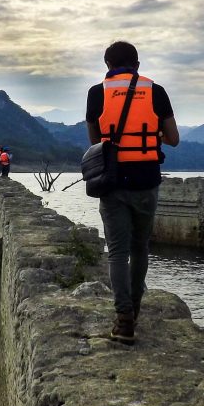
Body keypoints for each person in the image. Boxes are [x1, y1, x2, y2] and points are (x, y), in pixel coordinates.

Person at [85, 41, 179, 345]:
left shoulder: (96, 93)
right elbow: (174, 138)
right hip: (147, 180)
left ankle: (124, 320)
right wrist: (153, 134)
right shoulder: (156, 91)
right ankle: (135, 309)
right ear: (137, 65)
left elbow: (96, 143)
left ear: (107, 65)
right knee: (140, 248)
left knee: (117, 252)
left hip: (112, 182)